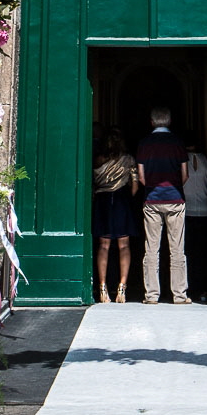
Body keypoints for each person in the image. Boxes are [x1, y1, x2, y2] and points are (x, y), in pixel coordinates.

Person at [136, 107, 190, 304]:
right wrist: (174, 188)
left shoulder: (144, 144)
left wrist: (152, 187)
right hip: (175, 199)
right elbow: (185, 175)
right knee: (177, 248)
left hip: (152, 199)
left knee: (151, 248)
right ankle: (179, 294)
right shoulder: (178, 143)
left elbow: (141, 177)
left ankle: (151, 295)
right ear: (169, 121)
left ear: (151, 122)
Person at [92, 128, 139, 304]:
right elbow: (135, 186)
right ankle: (122, 288)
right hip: (121, 201)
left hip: (102, 201)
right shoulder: (128, 160)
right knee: (124, 245)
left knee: (103, 246)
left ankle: (103, 289)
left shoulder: (97, 160)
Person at [183, 139, 207, 304]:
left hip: (186, 211)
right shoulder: (206, 161)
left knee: (187, 252)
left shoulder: (180, 160)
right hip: (205, 210)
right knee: (202, 253)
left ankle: (188, 288)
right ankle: (202, 288)